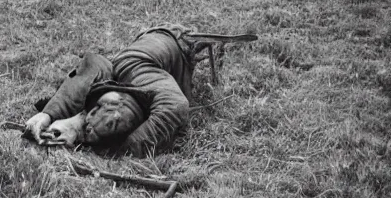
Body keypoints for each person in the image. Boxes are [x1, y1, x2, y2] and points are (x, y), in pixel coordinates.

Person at [23, 24, 254, 158]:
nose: (113, 116)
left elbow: (176, 106)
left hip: (172, 40)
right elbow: (85, 76)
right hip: (149, 47)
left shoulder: (139, 72)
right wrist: (49, 114)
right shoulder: (102, 70)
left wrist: (121, 150)